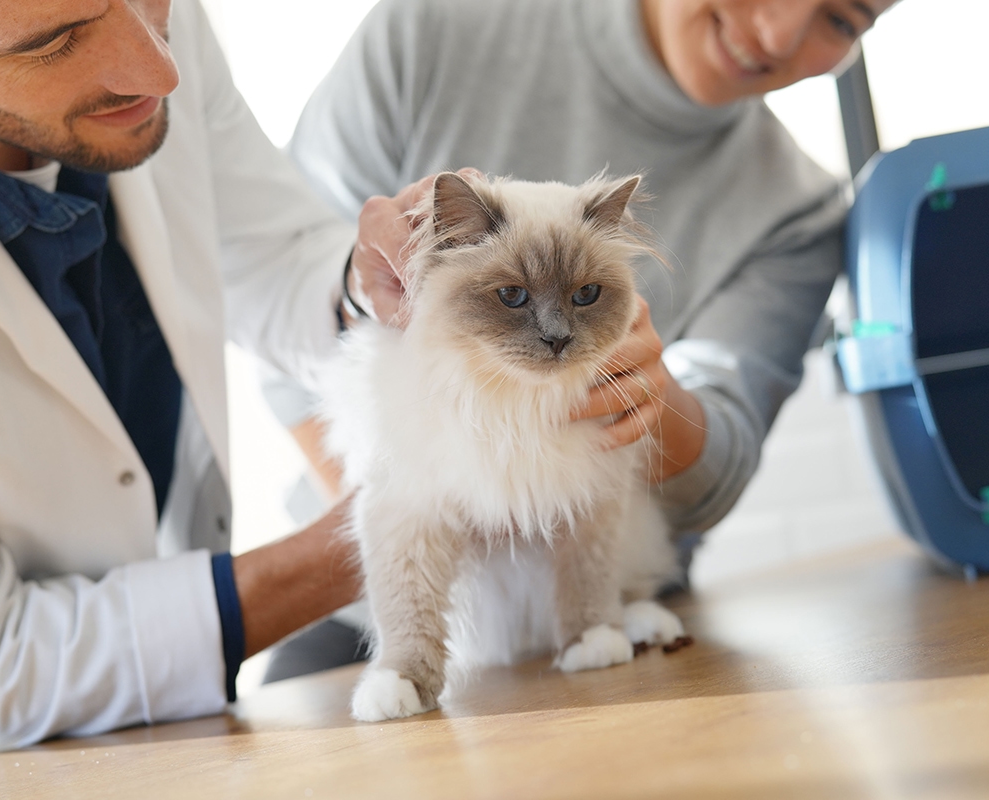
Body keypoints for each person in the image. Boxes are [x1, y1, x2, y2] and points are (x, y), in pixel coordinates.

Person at [0, 0, 416, 758]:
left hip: (164, 730)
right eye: (57, 41)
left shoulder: (124, 26)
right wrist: (395, 531)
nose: (161, 68)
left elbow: (269, 256)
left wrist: (377, 284)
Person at [259, 0, 898, 680]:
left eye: (843, 20)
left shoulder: (799, 209)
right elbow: (273, 296)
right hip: (349, 597)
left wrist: (651, 394)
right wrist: (399, 518)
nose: (776, 34)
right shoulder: (430, 25)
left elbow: (722, 464)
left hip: (603, 594)